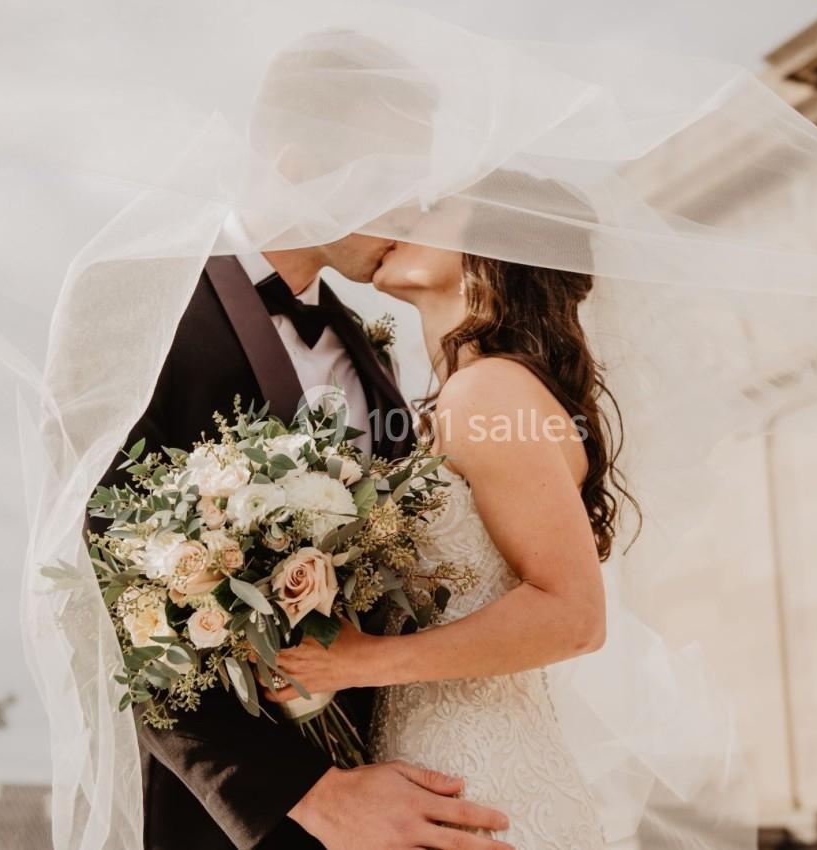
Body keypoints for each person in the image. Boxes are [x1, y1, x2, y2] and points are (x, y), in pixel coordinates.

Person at [93, 29, 514, 850]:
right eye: (390, 181)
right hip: (229, 821)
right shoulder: (134, 303)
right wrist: (311, 796)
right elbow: (102, 591)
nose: (411, 211)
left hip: (399, 785)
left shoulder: (369, 344)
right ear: (295, 166)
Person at [265, 177, 632, 849]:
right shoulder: (457, 399)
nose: (399, 212)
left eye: (432, 207)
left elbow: (574, 615)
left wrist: (358, 663)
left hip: (479, 780)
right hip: (434, 770)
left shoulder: (486, 393)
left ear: (496, 245)